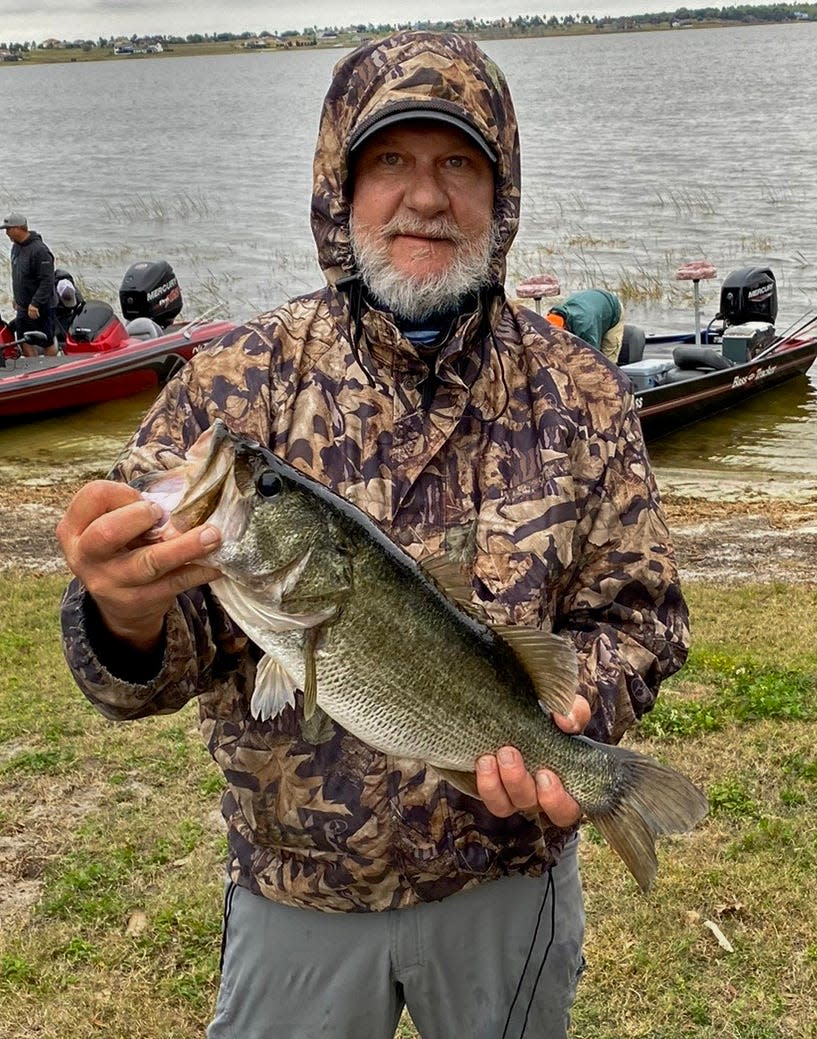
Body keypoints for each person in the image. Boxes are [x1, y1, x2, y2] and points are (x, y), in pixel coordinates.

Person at [57, 30, 689, 1039]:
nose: (424, 196)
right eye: (389, 160)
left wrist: (572, 735)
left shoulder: (583, 392)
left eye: (457, 165)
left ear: (501, 193)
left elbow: (641, 619)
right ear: (338, 189)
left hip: (506, 877)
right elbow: (142, 666)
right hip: (292, 891)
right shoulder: (232, 386)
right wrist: (122, 610)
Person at [1, 212, 58, 357]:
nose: (6, 233)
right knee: (23, 339)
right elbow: (18, 276)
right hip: (22, 306)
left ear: (18, 228)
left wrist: (36, 303)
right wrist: (16, 297)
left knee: (47, 340)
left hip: (42, 307)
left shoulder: (40, 251)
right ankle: (32, 367)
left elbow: (47, 280)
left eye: (8, 229)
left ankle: (49, 369)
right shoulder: (16, 248)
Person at [546, 288, 625, 362]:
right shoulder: (553, 313)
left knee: (606, 362)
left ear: (564, 327)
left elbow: (593, 356)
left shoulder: (586, 327)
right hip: (590, 304)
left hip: (612, 307)